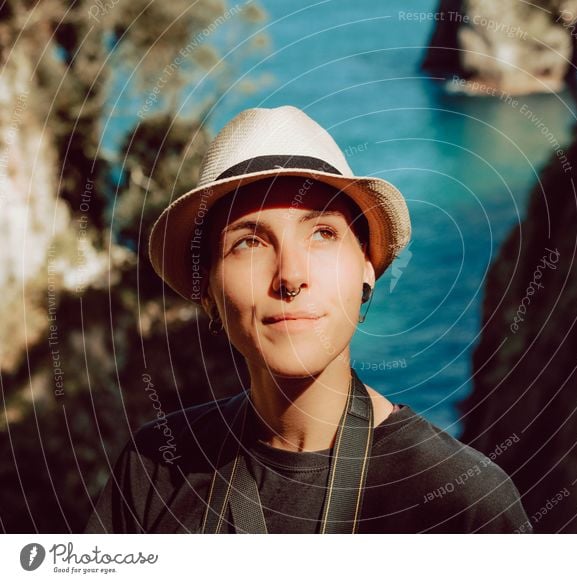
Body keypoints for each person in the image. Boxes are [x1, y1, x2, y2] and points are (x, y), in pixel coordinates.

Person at [83, 106, 530, 534]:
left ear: (366, 267)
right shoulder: (155, 467)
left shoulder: (463, 504)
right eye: (248, 243)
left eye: (322, 234)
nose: (291, 277)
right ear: (209, 295)